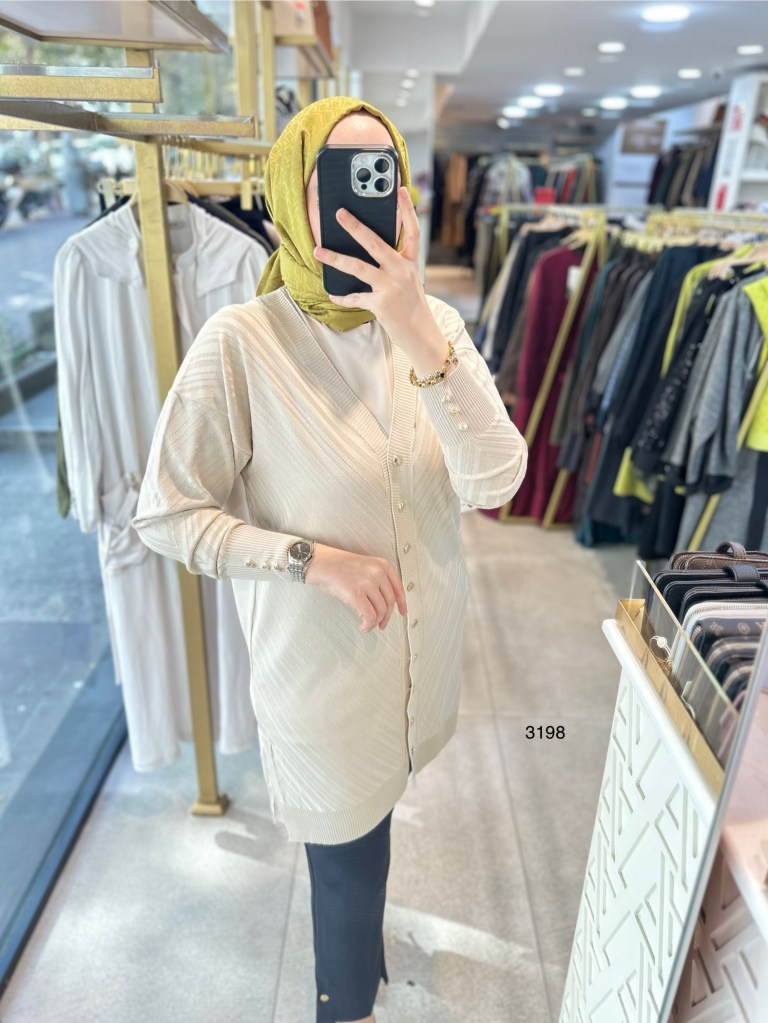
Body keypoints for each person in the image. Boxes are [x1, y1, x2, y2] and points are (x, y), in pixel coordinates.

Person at [133, 96, 527, 1023]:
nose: (363, 199)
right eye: (336, 180)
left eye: (381, 173)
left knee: (373, 835)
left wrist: (415, 326)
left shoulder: (434, 325)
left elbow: (495, 481)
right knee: (343, 871)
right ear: (286, 199)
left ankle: (364, 972)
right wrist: (311, 561)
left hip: (420, 663)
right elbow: (167, 514)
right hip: (321, 676)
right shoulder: (242, 341)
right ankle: (344, 1004)